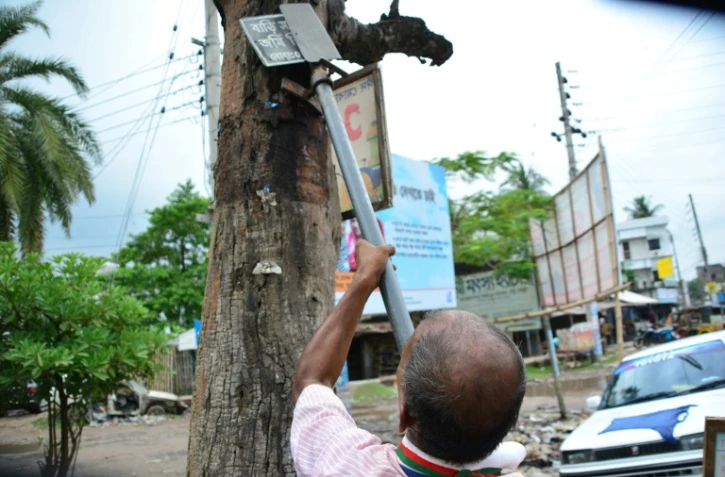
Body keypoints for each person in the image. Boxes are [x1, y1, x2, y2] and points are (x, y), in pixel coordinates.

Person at [291, 240, 527, 477]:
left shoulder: (348, 466)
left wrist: (365, 278)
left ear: (405, 413)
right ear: (512, 421)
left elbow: (313, 381)